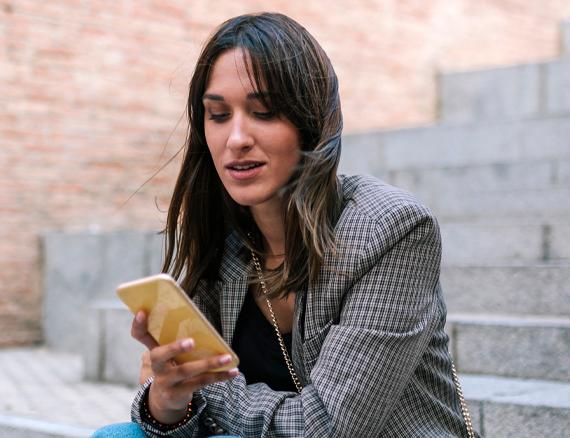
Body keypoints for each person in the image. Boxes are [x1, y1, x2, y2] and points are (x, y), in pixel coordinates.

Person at [93, 11, 478, 438]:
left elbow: (327, 427)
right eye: (218, 115)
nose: (236, 138)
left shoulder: (392, 229)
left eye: (262, 111)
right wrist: (168, 401)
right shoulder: (223, 240)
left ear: (309, 122)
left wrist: (210, 389)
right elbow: (186, 419)